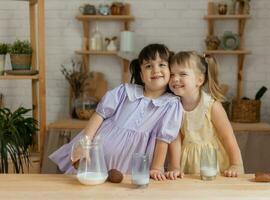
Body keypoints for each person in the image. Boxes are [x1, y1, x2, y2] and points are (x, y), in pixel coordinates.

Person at [49, 44, 183, 181]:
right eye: (148, 66)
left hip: (130, 165)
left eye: (162, 64)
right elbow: (99, 115)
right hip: (96, 155)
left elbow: (164, 139)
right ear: (142, 75)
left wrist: (156, 167)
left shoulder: (171, 104)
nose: (156, 70)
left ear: (170, 71)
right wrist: (85, 143)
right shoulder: (125, 91)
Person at [165, 51, 244, 180]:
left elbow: (227, 137)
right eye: (172, 74)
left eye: (182, 74)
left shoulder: (212, 106)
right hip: (188, 163)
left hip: (213, 163)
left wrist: (236, 164)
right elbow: (175, 139)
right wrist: (175, 166)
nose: (175, 79)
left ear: (199, 80)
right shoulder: (174, 107)